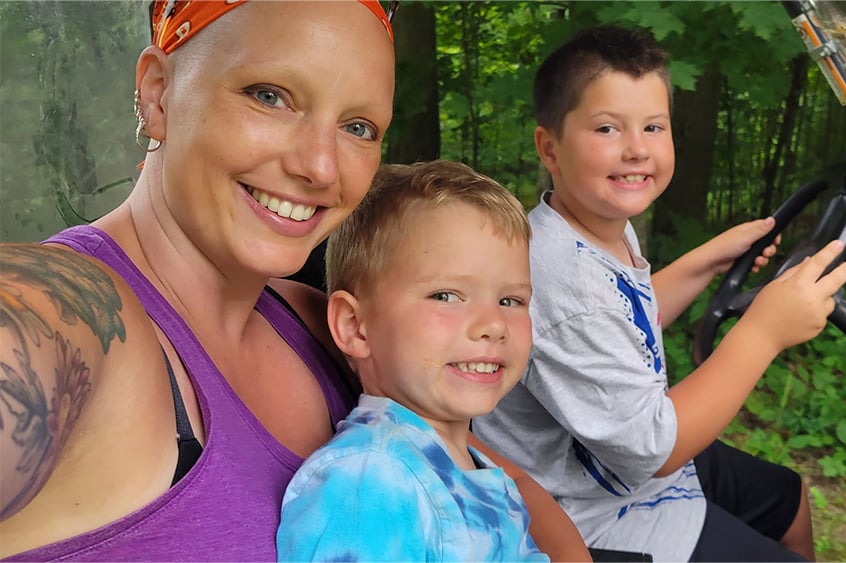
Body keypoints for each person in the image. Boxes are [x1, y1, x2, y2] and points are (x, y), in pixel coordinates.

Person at [0, 3, 588, 561]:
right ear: (157, 92)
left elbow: (511, 509)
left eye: (358, 126)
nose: (319, 166)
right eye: (270, 96)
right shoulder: (68, 312)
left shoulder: (322, 328)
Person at [474, 25, 846, 562]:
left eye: (654, 126)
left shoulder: (590, 223)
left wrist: (706, 261)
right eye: (608, 128)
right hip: (586, 513)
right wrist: (763, 332)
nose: (636, 150)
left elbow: (625, 317)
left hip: (617, 463)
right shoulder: (560, 277)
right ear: (549, 148)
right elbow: (657, 450)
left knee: (787, 497)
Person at [276, 160, 550, 562]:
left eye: (510, 300)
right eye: (446, 295)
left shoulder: (467, 464)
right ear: (356, 326)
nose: (494, 324)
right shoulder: (369, 481)